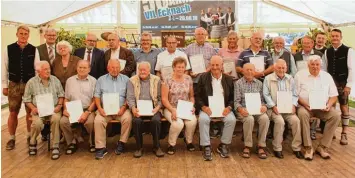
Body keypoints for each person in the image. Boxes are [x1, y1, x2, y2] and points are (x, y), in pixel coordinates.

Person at [295, 55, 341, 160]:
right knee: (302, 114)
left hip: (322, 108)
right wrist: (305, 105)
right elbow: (295, 94)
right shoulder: (300, 75)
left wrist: (329, 105)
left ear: (320, 65)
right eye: (312, 64)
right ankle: (308, 147)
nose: (315, 67)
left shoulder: (327, 76)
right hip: (305, 107)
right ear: (308, 65)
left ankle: (323, 147)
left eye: (317, 64)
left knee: (336, 115)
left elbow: (334, 95)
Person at [2, 25, 40, 150]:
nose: (23, 36)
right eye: (21, 33)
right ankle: (12, 138)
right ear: (17, 34)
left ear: (28, 35)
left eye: (25, 34)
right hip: (14, 84)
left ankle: (30, 136)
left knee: (30, 111)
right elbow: (4, 68)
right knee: (13, 112)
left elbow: (37, 69)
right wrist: (4, 85)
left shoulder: (34, 49)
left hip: (30, 85)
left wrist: (36, 86)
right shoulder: (8, 49)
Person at [196, 56, 236, 161]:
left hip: (224, 109)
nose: (214, 67)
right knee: (203, 119)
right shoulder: (203, 77)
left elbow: (233, 97)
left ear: (222, 66)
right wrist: (203, 107)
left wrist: (229, 107)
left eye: (217, 65)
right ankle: (206, 146)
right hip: (207, 108)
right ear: (209, 65)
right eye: (212, 65)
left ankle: (223, 145)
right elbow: (197, 96)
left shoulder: (228, 79)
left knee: (231, 120)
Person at [23, 61, 64, 160]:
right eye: (45, 69)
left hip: (54, 109)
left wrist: (59, 105)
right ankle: (33, 142)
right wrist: (33, 108)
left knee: (55, 119)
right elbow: (26, 99)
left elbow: (61, 95)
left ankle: (55, 145)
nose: (48, 71)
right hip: (39, 110)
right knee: (37, 123)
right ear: (38, 71)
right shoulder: (31, 82)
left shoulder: (55, 80)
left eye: (49, 68)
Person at [263, 59, 303, 159]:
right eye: (279, 67)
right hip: (274, 109)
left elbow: (295, 94)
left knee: (296, 121)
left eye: (283, 68)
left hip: (288, 108)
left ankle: (296, 148)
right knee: (280, 121)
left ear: (286, 68)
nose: (281, 70)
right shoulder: (268, 78)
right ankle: (277, 148)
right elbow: (266, 94)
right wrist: (273, 106)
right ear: (275, 68)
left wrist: (293, 104)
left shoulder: (290, 78)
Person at [94, 59, 132, 159]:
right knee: (98, 120)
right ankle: (101, 147)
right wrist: (100, 108)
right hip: (105, 110)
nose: (115, 70)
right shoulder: (101, 80)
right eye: (112, 67)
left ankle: (122, 143)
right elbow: (97, 96)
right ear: (108, 68)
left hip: (121, 109)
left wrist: (124, 107)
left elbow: (129, 96)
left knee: (127, 118)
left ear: (120, 68)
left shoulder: (126, 79)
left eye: (117, 67)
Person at [322, 29, 354, 145]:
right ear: (330, 38)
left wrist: (349, 85)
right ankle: (332, 132)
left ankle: (344, 133)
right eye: (333, 36)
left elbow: (352, 68)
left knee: (344, 107)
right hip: (331, 83)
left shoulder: (349, 50)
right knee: (331, 107)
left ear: (341, 37)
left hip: (343, 83)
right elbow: (324, 69)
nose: (334, 38)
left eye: (337, 36)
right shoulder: (327, 51)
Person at [127, 62, 165, 158]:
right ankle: (139, 147)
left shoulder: (157, 80)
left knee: (156, 120)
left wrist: (158, 107)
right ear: (137, 70)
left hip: (154, 107)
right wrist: (133, 108)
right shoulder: (132, 80)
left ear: (149, 70)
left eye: (145, 70)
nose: (142, 71)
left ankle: (157, 146)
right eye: (140, 70)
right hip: (138, 108)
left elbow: (161, 98)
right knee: (136, 121)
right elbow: (130, 98)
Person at [59, 60, 97, 154]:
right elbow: (66, 98)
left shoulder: (94, 81)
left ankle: (92, 143)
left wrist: (87, 112)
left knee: (91, 122)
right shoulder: (70, 80)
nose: (82, 69)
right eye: (80, 67)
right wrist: (65, 109)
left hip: (88, 109)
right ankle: (72, 142)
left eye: (84, 68)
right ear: (76, 68)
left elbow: (95, 100)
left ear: (89, 69)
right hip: (73, 108)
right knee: (63, 121)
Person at [161, 57, 197, 155]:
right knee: (178, 124)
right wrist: (172, 110)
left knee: (192, 121)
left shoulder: (188, 78)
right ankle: (171, 144)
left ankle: (188, 141)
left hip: (185, 107)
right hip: (170, 107)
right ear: (173, 67)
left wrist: (192, 106)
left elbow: (192, 96)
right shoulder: (167, 79)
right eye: (178, 67)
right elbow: (164, 99)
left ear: (185, 68)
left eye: (182, 67)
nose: (180, 69)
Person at [235, 63, 270, 159]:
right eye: (247, 70)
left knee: (265, 118)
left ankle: (261, 146)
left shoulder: (259, 83)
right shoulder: (238, 83)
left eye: (251, 70)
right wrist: (240, 109)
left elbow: (263, 100)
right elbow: (236, 101)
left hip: (256, 109)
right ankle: (247, 146)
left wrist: (264, 106)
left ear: (254, 72)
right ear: (243, 71)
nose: (249, 72)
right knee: (249, 119)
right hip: (244, 110)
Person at [185, 27, 216, 114]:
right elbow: (185, 63)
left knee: (207, 99)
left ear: (206, 35)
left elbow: (213, 62)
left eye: (202, 34)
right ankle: (193, 118)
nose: (200, 36)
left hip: (207, 80)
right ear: (195, 36)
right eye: (198, 34)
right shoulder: (189, 48)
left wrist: (207, 70)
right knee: (195, 99)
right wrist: (190, 72)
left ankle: (210, 117)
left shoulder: (210, 48)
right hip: (194, 80)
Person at [37, 28, 58, 141]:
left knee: (55, 106)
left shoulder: (60, 48)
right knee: (45, 106)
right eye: (49, 35)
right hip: (44, 82)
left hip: (57, 83)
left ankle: (57, 133)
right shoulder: (38, 49)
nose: (51, 37)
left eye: (53, 35)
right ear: (45, 36)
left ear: (56, 36)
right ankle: (45, 132)